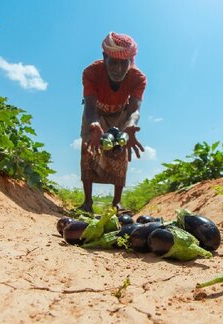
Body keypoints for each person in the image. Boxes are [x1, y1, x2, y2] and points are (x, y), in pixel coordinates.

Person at [79, 32, 146, 214]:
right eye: (112, 62)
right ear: (104, 57)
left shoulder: (138, 78)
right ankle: (87, 203)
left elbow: (134, 110)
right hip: (95, 113)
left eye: (123, 63)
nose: (117, 68)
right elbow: (90, 106)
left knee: (119, 152)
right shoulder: (91, 72)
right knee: (89, 149)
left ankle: (116, 202)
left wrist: (130, 125)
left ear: (131, 61)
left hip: (121, 114)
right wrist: (94, 125)